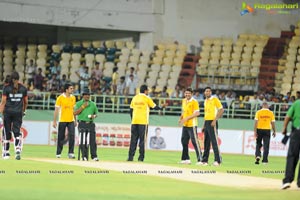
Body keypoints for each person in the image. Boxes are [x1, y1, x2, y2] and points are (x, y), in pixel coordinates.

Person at [127, 84, 165, 162]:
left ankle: (130, 157)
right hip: (143, 122)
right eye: (147, 90)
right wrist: (161, 107)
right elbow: (154, 107)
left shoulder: (134, 98)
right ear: (145, 91)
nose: (148, 92)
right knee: (142, 140)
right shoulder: (147, 98)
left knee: (133, 140)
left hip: (134, 122)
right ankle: (141, 157)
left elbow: (130, 110)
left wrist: (132, 119)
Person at [0, 71, 28, 160]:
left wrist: (1, 113)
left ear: (11, 79)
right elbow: (26, 102)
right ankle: (18, 150)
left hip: (7, 112)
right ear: (18, 79)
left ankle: (6, 153)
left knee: (6, 131)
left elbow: (3, 102)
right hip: (18, 112)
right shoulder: (23, 88)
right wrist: (23, 111)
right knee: (17, 131)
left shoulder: (6, 88)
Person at [199, 87, 224, 166]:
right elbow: (206, 114)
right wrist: (203, 125)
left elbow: (221, 109)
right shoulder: (205, 101)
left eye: (209, 91)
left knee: (214, 141)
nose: (207, 92)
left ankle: (218, 160)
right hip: (207, 122)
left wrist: (215, 120)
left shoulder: (215, 99)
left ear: (211, 92)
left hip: (212, 122)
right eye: (206, 91)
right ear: (204, 92)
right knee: (206, 142)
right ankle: (205, 160)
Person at [178, 87, 202, 164]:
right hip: (185, 125)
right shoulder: (184, 101)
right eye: (186, 93)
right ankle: (186, 159)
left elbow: (197, 113)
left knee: (195, 142)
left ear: (191, 94)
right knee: (184, 141)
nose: (187, 94)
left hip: (192, 125)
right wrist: (181, 118)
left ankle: (200, 160)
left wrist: (186, 118)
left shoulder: (194, 102)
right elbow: (184, 111)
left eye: (188, 93)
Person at [74, 89, 99, 161]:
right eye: (86, 95)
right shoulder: (78, 103)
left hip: (91, 124)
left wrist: (93, 116)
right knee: (82, 141)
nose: (88, 96)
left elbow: (96, 114)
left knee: (92, 141)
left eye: (89, 95)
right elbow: (75, 113)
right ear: (83, 96)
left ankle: (94, 156)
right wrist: (83, 107)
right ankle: (84, 156)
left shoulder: (93, 104)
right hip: (82, 123)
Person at [53, 83, 76, 159]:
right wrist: (54, 121)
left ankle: (71, 153)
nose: (72, 90)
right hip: (62, 120)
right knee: (61, 136)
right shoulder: (60, 98)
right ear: (66, 90)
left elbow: (74, 110)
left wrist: (75, 120)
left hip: (71, 120)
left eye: (72, 88)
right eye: (71, 88)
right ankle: (58, 153)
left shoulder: (73, 98)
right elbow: (56, 110)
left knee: (72, 136)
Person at [281, 98, 300, 190]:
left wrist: (284, 128)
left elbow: (288, 116)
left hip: (297, 132)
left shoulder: (297, 103)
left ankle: (287, 180)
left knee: (292, 156)